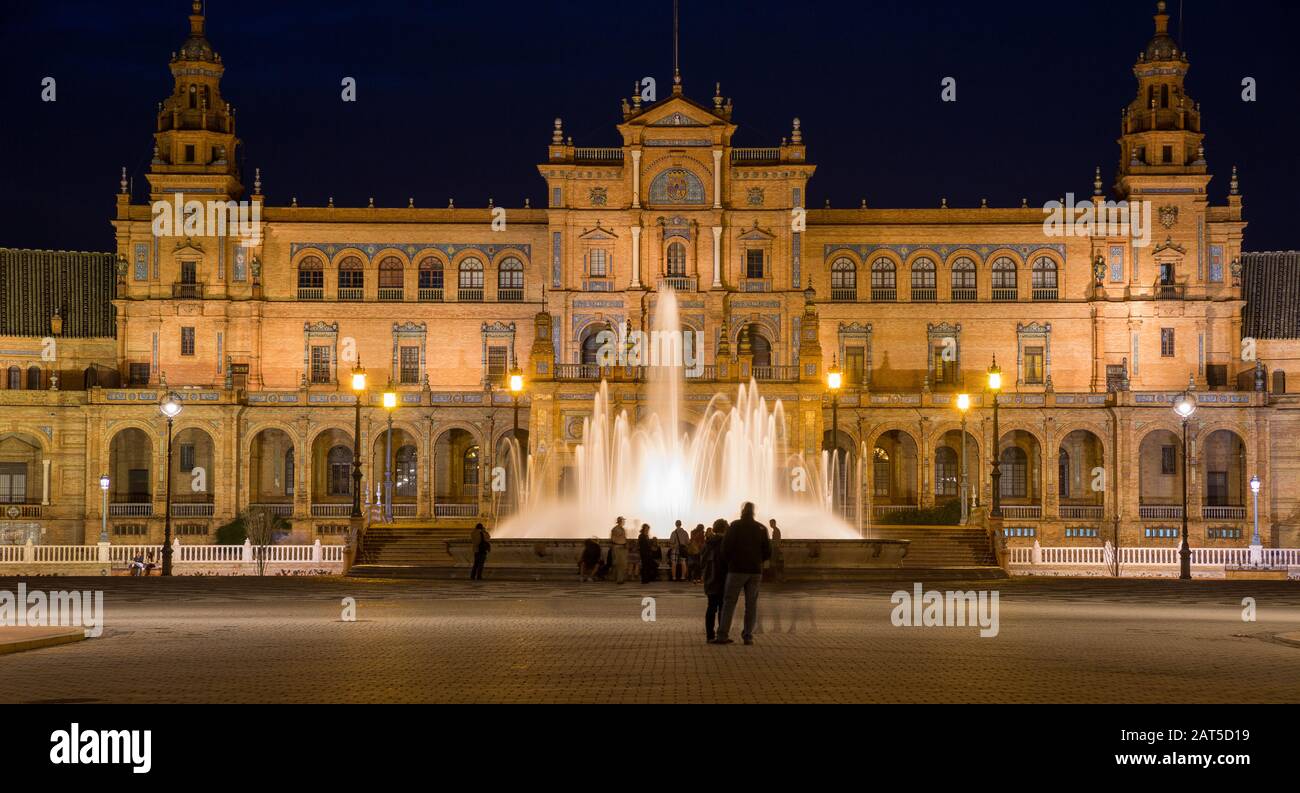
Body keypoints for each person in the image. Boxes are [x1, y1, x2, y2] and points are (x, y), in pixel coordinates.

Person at [713, 502, 771, 646]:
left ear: (742, 511)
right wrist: (758, 560)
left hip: (736, 570)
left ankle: (722, 635)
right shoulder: (761, 528)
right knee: (751, 605)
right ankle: (748, 636)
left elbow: (725, 548)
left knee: (729, 602)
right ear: (753, 512)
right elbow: (768, 551)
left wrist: (731, 562)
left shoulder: (735, 526)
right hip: (755, 572)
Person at [701, 519, 728, 642]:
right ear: (725, 529)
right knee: (723, 607)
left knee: (711, 607)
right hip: (723, 578)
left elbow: (702, 561)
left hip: (710, 578)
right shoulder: (726, 543)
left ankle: (710, 635)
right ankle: (722, 635)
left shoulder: (708, 543)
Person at [610, 516, 629, 584]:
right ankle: (619, 579)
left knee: (622, 564)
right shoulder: (615, 529)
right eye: (622, 520)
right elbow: (613, 539)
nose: (623, 522)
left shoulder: (622, 529)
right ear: (619, 521)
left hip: (622, 547)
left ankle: (620, 578)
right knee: (619, 564)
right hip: (618, 547)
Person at [767, 518, 784, 583]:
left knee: (774, 564)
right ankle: (777, 579)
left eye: (771, 523)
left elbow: (776, 541)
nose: (770, 525)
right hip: (775, 548)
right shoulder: (776, 530)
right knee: (776, 564)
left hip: (775, 548)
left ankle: (776, 579)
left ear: (774, 523)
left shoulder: (776, 531)